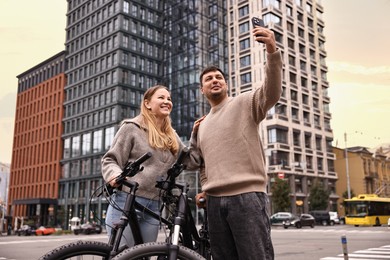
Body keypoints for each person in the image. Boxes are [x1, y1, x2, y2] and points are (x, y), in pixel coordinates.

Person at [192, 25, 282, 259]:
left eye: (219, 77)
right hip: (213, 204)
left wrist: (272, 51)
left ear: (226, 84)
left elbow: (271, 92)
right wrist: (204, 188)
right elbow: (203, 164)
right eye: (209, 79)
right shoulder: (201, 125)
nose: (215, 80)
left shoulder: (245, 103)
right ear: (202, 90)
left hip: (247, 198)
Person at [102, 85, 199, 248]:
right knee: (121, 254)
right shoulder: (131, 128)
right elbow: (110, 160)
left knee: (144, 254)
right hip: (126, 201)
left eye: (169, 99)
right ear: (147, 103)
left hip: (154, 206)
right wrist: (114, 175)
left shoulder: (171, 136)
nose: (167, 101)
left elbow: (191, 160)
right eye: (161, 97)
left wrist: (196, 133)